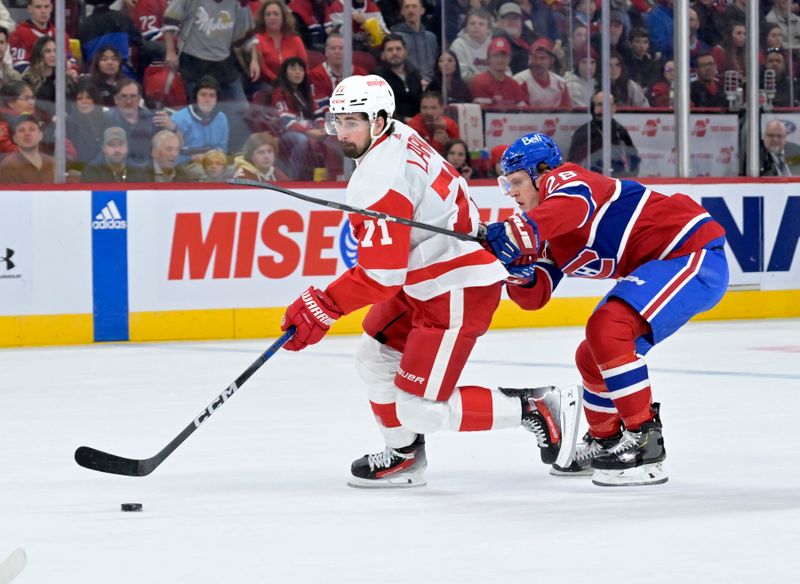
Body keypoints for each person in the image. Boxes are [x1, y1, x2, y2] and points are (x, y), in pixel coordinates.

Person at [279, 74, 580, 488]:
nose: (343, 133)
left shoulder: (379, 179)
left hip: (455, 286)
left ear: (380, 120)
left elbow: (382, 276)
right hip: (426, 275)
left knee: (418, 408)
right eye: (338, 121)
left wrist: (324, 305)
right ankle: (404, 456)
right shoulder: (397, 134)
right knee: (374, 357)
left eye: (353, 122)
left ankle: (536, 407)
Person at [482, 131, 729, 486]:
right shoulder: (545, 228)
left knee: (607, 326)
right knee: (591, 353)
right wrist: (515, 269)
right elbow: (535, 297)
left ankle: (646, 441)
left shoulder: (565, 179)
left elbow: (572, 205)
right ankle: (606, 439)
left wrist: (518, 231)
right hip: (666, 264)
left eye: (517, 182)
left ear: (541, 171)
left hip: (693, 253)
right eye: (506, 186)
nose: (513, 193)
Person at [163, 75, 229, 175]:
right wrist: (190, 158)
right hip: (186, 164)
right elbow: (169, 154)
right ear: (196, 97)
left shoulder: (221, 118)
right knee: (205, 175)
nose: (207, 99)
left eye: (212, 95)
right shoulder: (179, 118)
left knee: (235, 174)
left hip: (213, 162)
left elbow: (222, 148)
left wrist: (210, 157)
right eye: (203, 95)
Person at [568, 91, 641, 177]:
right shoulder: (583, 132)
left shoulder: (620, 131)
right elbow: (573, 162)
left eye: (607, 105)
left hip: (617, 179)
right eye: (599, 105)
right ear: (593, 107)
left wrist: (630, 176)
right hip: (591, 180)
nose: (603, 109)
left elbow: (633, 156)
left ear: (614, 107)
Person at [250, 0, 307, 86]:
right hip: (270, 84)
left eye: (276, 14)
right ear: (263, 19)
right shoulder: (257, 39)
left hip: (296, 84)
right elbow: (263, 68)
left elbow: (304, 65)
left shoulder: (295, 39)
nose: (272, 17)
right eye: (268, 14)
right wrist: (280, 82)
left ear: (283, 17)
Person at [374, 34, 423, 122]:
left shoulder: (414, 74)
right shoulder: (377, 78)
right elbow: (379, 110)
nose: (395, 53)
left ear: (405, 52)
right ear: (383, 54)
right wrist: (404, 120)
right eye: (390, 50)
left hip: (417, 125)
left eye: (398, 49)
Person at [470, 36, 528, 107]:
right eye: (496, 56)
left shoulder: (514, 85)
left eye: (504, 56)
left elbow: (523, 112)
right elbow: (483, 113)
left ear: (510, 58)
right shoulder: (479, 82)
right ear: (488, 59)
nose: (500, 60)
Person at [390, 0, 438, 85]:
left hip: (432, 85)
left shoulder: (431, 38)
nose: (410, 10)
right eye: (407, 7)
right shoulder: (396, 37)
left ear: (422, 10)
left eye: (414, 6)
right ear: (402, 12)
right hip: (408, 84)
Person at [513, 38, 571, 109]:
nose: (538, 62)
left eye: (542, 58)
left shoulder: (560, 84)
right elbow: (523, 115)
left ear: (551, 60)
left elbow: (566, 114)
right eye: (535, 57)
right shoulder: (519, 81)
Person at [81, 126, 148, 183]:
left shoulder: (138, 172)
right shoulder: (92, 172)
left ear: (127, 147)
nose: (117, 150)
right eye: (111, 145)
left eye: (120, 144)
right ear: (104, 149)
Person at [0, 113, 54, 182]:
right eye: (21, 130)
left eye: (32, 129)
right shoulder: (8, 166)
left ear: (40, 135)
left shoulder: (52, 163)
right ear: (15, 138)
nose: (27, 133)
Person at [406, 90, 460, 154]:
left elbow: (459, 153)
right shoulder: (412, 126)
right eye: (424, 108)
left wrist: (448, 143)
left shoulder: (451, 125)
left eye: (433, 108)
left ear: (442, 109)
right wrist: (437, 143)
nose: (428, 112)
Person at [449, 8, 492, 83]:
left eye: (481, 24)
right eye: (472, 23)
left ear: (488, 29)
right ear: (466, 27)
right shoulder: (458, 45)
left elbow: (505, 71)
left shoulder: (493, 45)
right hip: (467, 88)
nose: (476, 26)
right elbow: (461, 74)